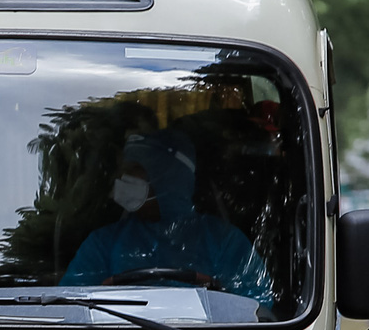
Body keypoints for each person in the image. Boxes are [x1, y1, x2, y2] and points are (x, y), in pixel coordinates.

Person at [61, 129, 275, 307]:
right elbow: (67, 305)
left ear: (167, 177)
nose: (121, 180)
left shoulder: (223, 241)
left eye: (134, 170)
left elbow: (258, 307)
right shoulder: (103, 244)